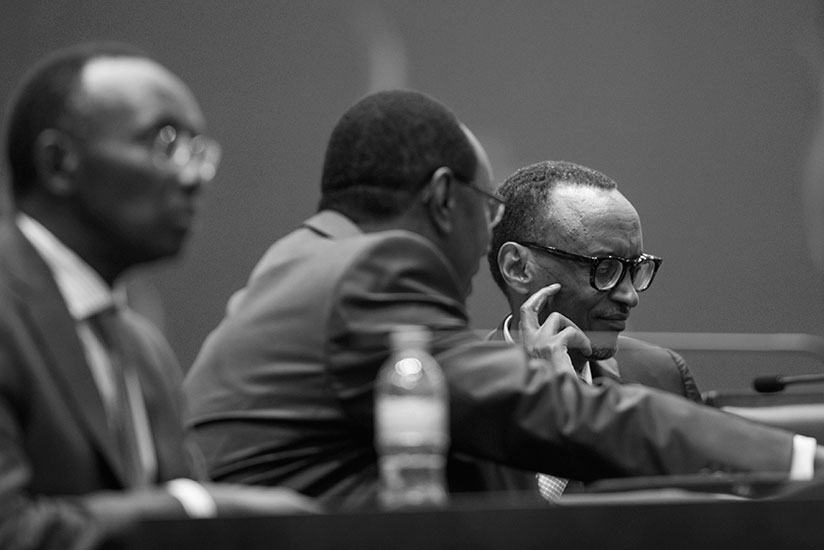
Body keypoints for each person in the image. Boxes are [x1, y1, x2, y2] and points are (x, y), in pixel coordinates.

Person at [184, 89, 824, 509]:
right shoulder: (373, 272)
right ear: (442, 199)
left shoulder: (298, 258)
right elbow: (547, 414)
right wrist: (796, 460)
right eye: (488, 209)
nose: (491, 234)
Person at [0, 43, 317, 550]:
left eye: (199, 150)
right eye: (165, 143)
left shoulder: (141, 348)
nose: (194, 176)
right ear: (59, 163)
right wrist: (196, 509)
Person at [481, 160, 702, 497]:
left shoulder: (661, 376)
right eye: (605, 268)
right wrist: (561, 420)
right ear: (518, 267)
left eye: (635, 268)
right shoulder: (464, 394)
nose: (629, 295)